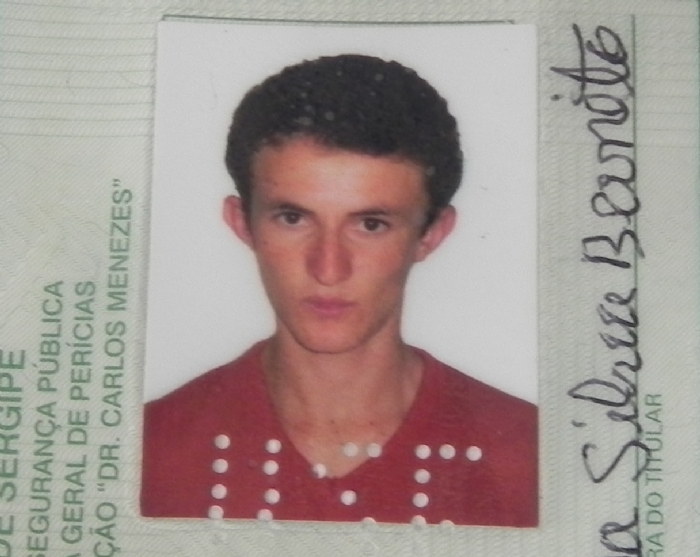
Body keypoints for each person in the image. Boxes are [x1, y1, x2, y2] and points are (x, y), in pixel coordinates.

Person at [141, 54, 537, 526]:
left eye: (370, 225)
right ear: (242, 224)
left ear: (431, 235)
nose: (328, 268)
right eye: (293, 218)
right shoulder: (146, 454)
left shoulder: (528, 458)